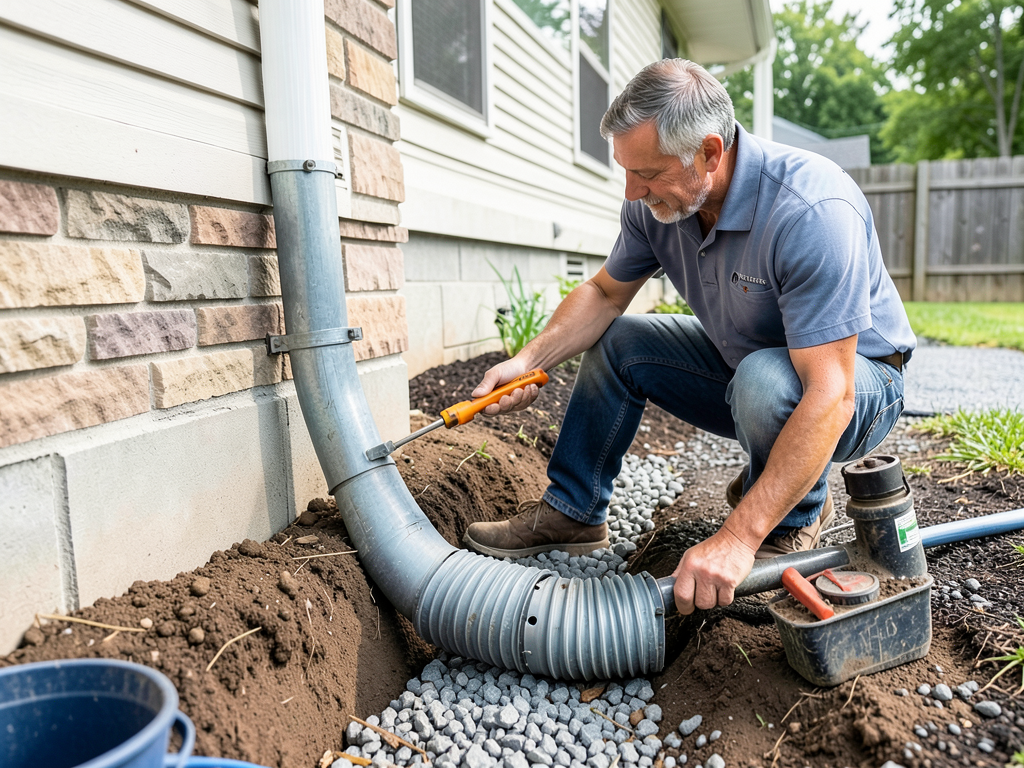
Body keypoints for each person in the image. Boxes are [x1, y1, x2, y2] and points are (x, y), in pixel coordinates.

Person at [461, 58, 915, 616]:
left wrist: (738, 538)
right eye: (625, 171)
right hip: (748, 365)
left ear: (709, 153)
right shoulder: (657, 206)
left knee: (767, 381)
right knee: (620, 340)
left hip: (857, 387)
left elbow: (831, 394)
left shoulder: (810, 210)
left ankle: (789, 526)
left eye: (646, 174)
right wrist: (528, 358)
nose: (632, 191)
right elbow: (605, 295)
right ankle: (574, 512)